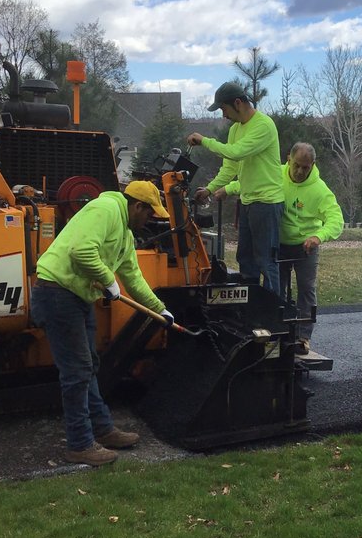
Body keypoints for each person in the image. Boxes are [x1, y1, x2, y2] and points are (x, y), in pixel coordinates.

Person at [30, 180, 174, 466]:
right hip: (57, 293)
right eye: (149, 214)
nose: (150, 220)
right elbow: (81, 251)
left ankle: (103, 430)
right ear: (137, 206)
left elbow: (132, 278)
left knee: (89, 366)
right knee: (76, 372)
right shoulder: (106, 209)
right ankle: (80, 444)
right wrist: (108, 280)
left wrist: (160, 309)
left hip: (77, 296)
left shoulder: (125, 234)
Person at [187, 82, 284, 294]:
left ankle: (271, 314)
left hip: (267, 203)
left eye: (224, 109)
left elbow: (236, 152)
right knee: (246, 260)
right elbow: (229, 167)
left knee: (266, 261)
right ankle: (250, 309)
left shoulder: (263, 125)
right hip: (248, 201)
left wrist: (204, 141)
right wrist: (210, 189)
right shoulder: (235, 130)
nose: (224, 115)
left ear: (237, 103)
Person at [279, 143, 343, 355]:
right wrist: (223, 189)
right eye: (296, 165)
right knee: (276, 289)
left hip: (306, 248)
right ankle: (278, 331)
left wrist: (318, 236)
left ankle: (303, 337)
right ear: (288, 159)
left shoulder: (320, 190)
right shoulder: (275, 175)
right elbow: (248, 184)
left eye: (305, 168)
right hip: (279, 244)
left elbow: (336, 220)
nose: (299, 171)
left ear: (312, 165)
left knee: (306, 288)